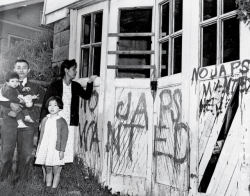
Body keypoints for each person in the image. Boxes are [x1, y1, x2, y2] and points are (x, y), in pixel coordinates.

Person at [40, 59, 97, 164]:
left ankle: (59, 171)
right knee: (53, 145)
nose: (75, 72)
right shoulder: (55, 85)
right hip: (55, 121)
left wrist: (90, 82)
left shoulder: (75, 86)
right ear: (66, 70)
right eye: (73, 69)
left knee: (66, 146)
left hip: (70, 122)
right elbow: (46, 103)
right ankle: (49, 171)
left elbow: (86, 96)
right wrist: (43, 120)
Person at [0, 59, 39, 181]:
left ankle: (21, 179)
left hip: (26, 122)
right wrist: (10, 105)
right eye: (18, 67)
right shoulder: (4, 86)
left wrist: (25, 100)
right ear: (14, 69)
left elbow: (32, 105)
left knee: (26, 153)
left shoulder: (34, 87)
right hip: (8, 122)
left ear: (28, 70)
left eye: (24, 67)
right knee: (6, 151)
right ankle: (3, 178)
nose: (21, 70)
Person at [35, 96, 68, 193]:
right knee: (48, 167)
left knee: (56, 169)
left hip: (56, 149)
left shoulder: (62, 121)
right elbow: (41, 134)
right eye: (50, 105)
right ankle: (48, 185)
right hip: (46, 147)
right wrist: (40, 146)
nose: (52, 107)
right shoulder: (45, 119)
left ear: (60, 108)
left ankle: (54, 187)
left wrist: (62, 151)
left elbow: (64, 138)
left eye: (55, 105)